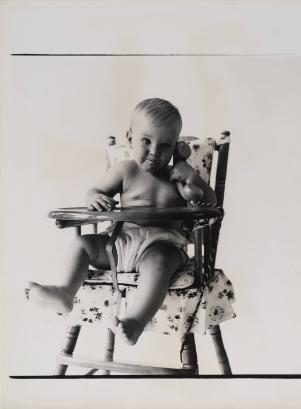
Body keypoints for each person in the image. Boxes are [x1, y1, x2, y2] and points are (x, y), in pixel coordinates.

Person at [27, 98, 217, 345]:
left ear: (177, 148)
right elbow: (96, 191)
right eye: (146, 141)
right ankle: (65, 292)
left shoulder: (178, 178)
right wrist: (95, 198)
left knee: (159, 264)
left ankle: (134, 322)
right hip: (119, 243)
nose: (154, 152)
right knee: (82, 244)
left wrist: (194, 179)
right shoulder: (124, 170)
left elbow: (211, 205)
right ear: (130, 138)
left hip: (163, 246)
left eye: (165, 146)